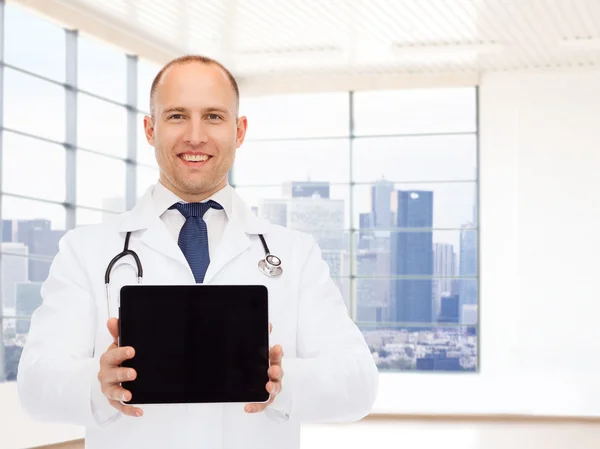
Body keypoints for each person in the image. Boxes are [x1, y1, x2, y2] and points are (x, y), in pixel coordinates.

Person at [17, 55, 378, 449]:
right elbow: (35, 386)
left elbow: (358, 384)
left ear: (239, 131)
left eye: (213, 117)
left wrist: (281, 379)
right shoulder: (85, 250)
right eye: (176, 116)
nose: (195, 135)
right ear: (149, 129)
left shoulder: (295, 253)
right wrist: (98, 382)